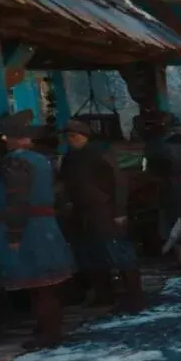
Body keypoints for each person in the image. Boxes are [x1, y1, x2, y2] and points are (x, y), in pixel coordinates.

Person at [0, 111, 76, 350]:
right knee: (44, 285)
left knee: (40, 285)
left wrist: (14, 233)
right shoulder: (40, 159)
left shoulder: (15, 163)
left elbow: (17, 200)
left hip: (28, 226)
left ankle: (49, 332)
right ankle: (47, 328)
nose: (4, 139)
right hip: (42, 224)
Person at [60, 119, 143, 313]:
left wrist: (119, 211)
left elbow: (119, 182)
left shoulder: (101, 154)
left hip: (105, 210)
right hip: (82, 212)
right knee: (92, 255)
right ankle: (104, 294)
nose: (71, 140)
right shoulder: (70, 158)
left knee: (118, 252)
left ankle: (135, 296)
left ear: (84, 136)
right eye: (68, 137)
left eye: (73, 136)